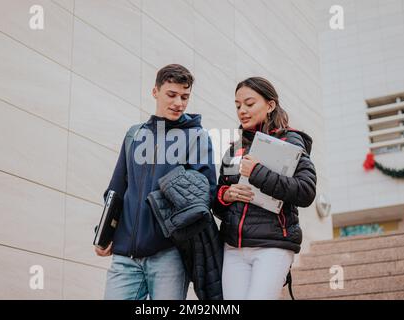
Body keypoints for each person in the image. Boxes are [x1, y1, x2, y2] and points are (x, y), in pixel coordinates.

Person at [95, 64, 217, 300]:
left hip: (169, 255)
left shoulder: (197, 137)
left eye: (185, 97)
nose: (178, 103)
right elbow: (117, 189)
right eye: (172, 95)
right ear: (155, 92)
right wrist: (104, 233)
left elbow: (206, 193)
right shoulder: (134, 134)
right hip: (125, 257)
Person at [212, 77, 317, 300]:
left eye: (249, 104)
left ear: (270, 105)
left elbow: (306, 191)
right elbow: (219, 204)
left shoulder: (290, 140)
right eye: (238, 105)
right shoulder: (234, 149)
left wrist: (257, 172)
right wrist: (225, 195)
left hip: (273, 245)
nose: (242, 110)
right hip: (234, 247)